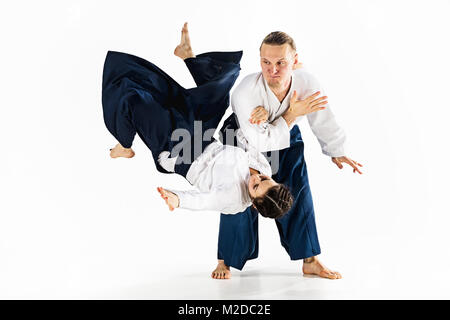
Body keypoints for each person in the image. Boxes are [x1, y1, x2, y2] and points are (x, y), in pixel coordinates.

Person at [211, 31, 364, 279]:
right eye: (266, 62)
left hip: (286, 138)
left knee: (298, 190)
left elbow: (321, 116)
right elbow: (259, 139)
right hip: (242, 140)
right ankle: (226, 260)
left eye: (281, 62)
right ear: (259, 60)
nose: (273, 70)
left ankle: (310, 259)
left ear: (295, 60)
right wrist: (291, 115)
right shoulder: (245, 92)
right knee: (238, 197)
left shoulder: (307, 83)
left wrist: (336, 150)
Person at [102, 23, 293, 216]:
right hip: (203, 134)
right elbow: (247, 142)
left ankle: (124, 144)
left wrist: (178, 199)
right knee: (221, 85)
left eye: (255, 187)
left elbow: (204, 201)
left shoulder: (233, 200)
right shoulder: (264, 167)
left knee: (135, 99)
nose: (256, 179)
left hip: (177, 148)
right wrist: (257, 116)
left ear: (254, 204)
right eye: (264, 180)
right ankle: (187, 55)